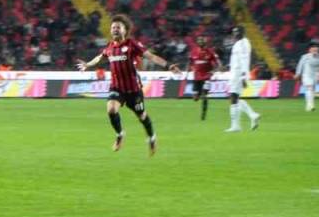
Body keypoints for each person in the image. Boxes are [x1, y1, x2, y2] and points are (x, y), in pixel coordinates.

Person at [77, 15, 175, 156]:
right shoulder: (110, 47)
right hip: (117, 88)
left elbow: (151, 57)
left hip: (133, 90)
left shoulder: (132, 44)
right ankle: (120, 134)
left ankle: (152, 138)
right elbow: (100, 57)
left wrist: (168, 65)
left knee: (142, 116)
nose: (115, 29)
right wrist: (88, 64)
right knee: (111, 109)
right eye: (113, 27)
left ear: (125, 30)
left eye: (118, 27)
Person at [224, 26, 261, 132]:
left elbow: (245, 61)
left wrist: (244, 77)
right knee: (235, 98)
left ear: (242, 33)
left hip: (239, 74)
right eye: (234, 32)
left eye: (237, 32)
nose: (235, 34)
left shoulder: (244, 44)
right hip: (234, 73)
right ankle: (252, 115)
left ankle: (236, 126)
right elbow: (236, 59)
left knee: (233, 97)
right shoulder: (238, 43)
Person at [188, 35, 220, 120]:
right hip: (196, 77)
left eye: (201, 40)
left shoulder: (210, 52)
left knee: (205, 95)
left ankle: (203, 115)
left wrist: (214, 71)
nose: (200, 42)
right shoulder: (193, 51)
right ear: (197, 42)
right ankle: (198, 95)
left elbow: (217, 63)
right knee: (195, 98)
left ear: (204, 42)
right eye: (199, 40)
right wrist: (189, 69)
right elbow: (190, 62)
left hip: (206, 77)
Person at [294, 40, 319, 112]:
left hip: (316, 76)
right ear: (309, 49)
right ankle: (311, 105)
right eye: (313, 47)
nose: (315, 48)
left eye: (316, 47)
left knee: (312, 90)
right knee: (309, 88)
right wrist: (298, 74)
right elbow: (300, 66)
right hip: (306, 75)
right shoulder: (304, 57)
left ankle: (308, 105)